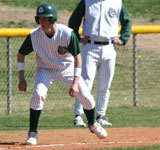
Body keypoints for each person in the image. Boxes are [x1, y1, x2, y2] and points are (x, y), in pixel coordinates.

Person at [17, 3, 107, 145]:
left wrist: (75, 83)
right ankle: (32, 133)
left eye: (45, 18)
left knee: (87, 97)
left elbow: (78, 57)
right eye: (39, 18)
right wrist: (21, 78)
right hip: (45, 69)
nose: (41, 21)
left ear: (52, 19)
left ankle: (92, 123)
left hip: (67, 68)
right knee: (39, 94)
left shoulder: (66, 33)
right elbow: (21, 53)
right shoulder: (34, 36)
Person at [68, 0, 132, 127]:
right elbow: (73, 22)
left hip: (109, 47)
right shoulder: (87, 2)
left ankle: (101, 115)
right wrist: (77, 39)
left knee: (105, 85)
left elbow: (127, 22)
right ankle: (78, 115)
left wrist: (123, 39)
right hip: (90, 46)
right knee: (85, 83)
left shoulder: (117, 2)